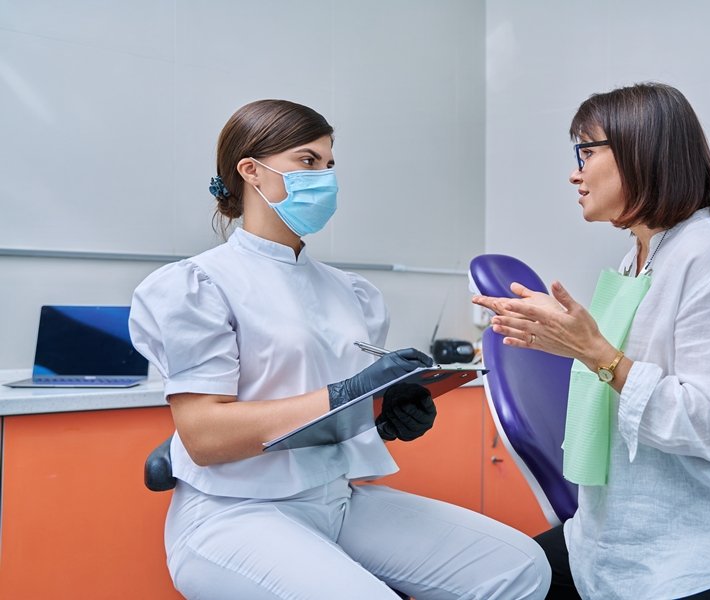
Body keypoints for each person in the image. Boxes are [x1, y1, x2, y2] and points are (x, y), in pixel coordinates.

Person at [130, 99, 550, 600]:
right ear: (251, 172)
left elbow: (335, 411)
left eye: (329, 165)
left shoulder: (352, 294)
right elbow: (203, 436)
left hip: (338, 501)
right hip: (233, 511)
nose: (325, 178)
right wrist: (347, 393)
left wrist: (385, 412)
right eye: (308, 161)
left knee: (519, 567)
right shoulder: (198, 284)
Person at [472, 83, 710, 599]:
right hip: (615, 535)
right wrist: (567, 345)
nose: (575, 172)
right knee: (489, 582)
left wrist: (593, 351)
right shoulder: (642, 258)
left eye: (587, 152)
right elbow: (621, 375)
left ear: (640, 153)